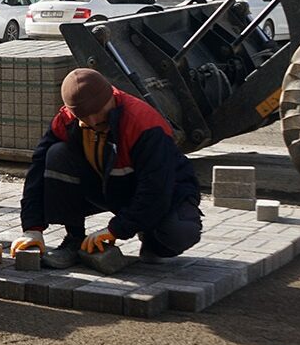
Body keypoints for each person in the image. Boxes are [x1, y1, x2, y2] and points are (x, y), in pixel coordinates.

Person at [11, 69, 203, 268]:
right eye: (85, 119)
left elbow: (156, 190)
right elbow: (36, 173)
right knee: (57, 154)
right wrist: (32, 228)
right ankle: (74, 240)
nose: (93, 123)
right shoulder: (66, 120)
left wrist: (116, 230)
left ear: (111, 97)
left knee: (180, 232)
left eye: (99, 117)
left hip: (164, 190)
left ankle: (152, 239)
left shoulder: (143, 124)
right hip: (108, 186)